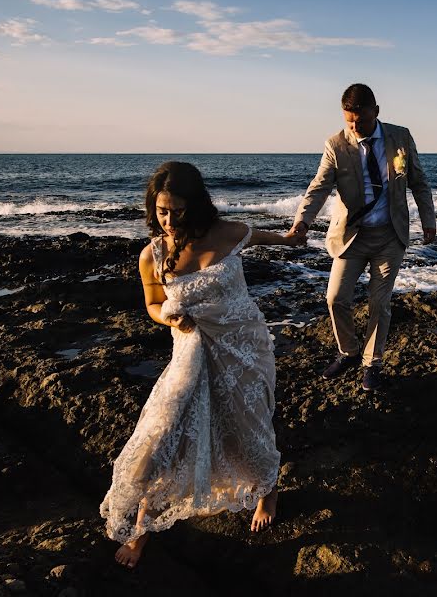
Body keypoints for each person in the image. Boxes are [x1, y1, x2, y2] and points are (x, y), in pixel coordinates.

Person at [100, 161, 305, 568]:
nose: (170, 220)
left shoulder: (228, 232)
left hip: (244, 347)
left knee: (247, 422)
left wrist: (290, 238)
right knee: (164, 430)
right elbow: (152, 305)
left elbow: (263, 237)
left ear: (197, 206)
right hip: (191, 350)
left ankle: (268, 489)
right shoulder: (152, 255)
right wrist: (169, 317)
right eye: (162, 211)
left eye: (178, 211)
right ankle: (141, 529)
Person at [290, 83, 436, 391]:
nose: (355, 127)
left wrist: (428, 219)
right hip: (351, 236)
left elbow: (418, 182)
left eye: (362, 120)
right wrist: (302, 220)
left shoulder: (400, 138)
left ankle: (372, 363)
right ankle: (349, 351)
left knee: (379, 304)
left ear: (376, 112)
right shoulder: (336, 145)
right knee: (335, 299)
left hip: (389, 236)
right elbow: (319, 187)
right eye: (349, 122)